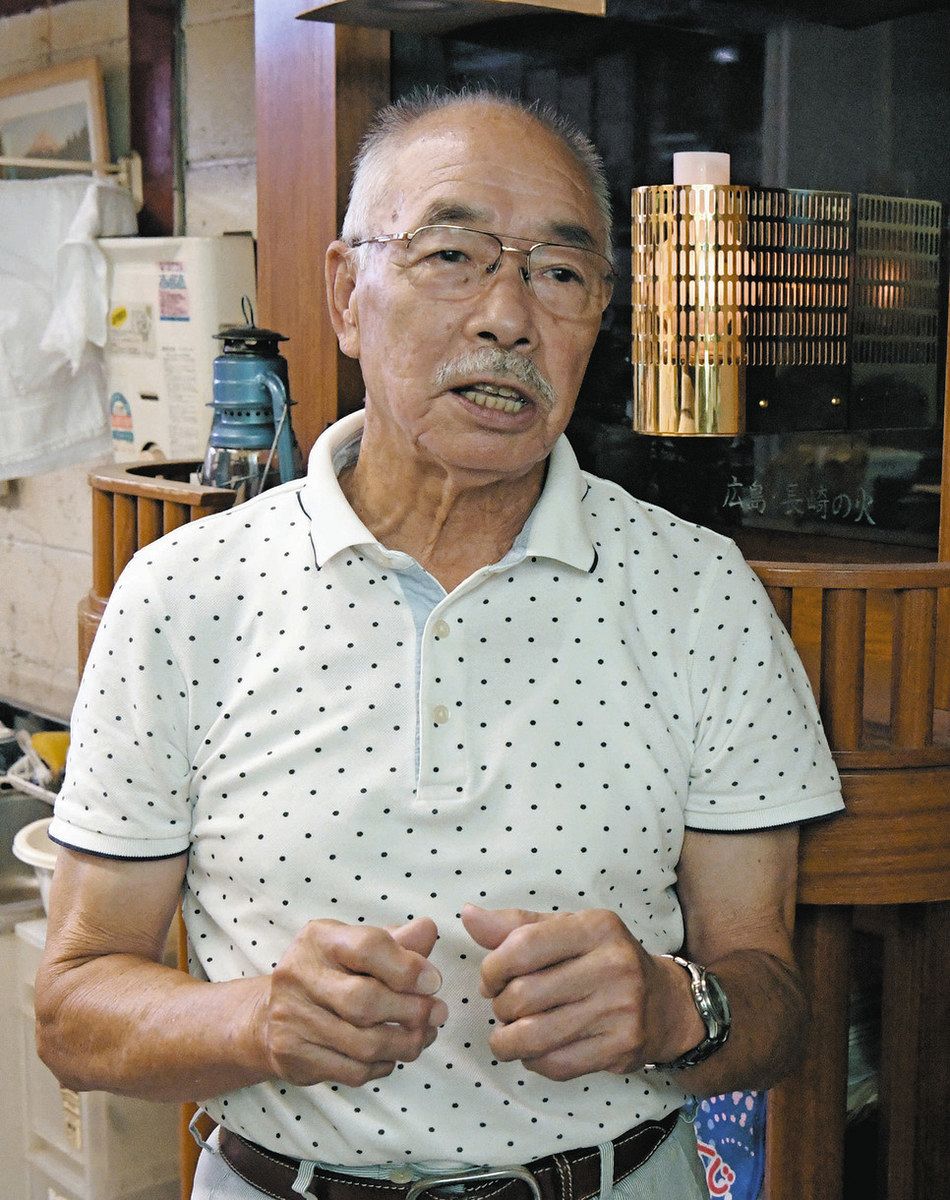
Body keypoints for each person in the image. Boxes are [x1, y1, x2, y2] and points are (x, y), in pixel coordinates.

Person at [37, 90, 844, 1200]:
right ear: (345, 293)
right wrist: (255, 1020)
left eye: (559, 273)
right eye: (452, 255)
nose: (508, 316)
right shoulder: (185, 595)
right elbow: (73, 1009)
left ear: (596, 319)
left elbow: (774, 1005)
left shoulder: (699, 594)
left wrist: (676, 1006)